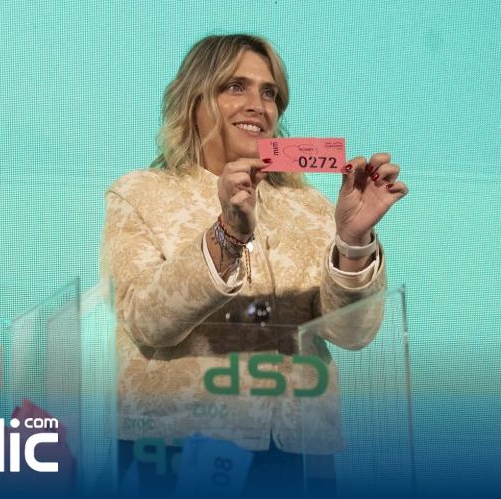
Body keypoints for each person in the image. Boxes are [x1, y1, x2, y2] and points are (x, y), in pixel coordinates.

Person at [102, 34, 408, 493]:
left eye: (269, 93)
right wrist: (227, 234)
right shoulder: (141, 194)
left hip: (299, 450)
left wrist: (352, 240)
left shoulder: (310, 206)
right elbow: (147, 321)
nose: (257, 105)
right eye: (235, 87)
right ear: (193, 99)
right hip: (179, 447)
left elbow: (353, 333)